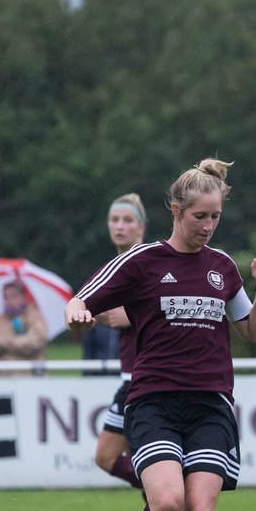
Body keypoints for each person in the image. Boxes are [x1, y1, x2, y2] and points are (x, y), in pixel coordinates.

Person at [65, 159, 256, 511]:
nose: (207, 226)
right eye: (199, 216)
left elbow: (253, 332)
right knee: (167, 503)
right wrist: (78, 313)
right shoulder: (141, 262)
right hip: (154, 402)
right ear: (176, 211)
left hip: (211, 407)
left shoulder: (223, 268)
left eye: (216, 217)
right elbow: (82, 303)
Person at [87, 194, 148, 489]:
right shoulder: (113, 268)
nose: (120, 226)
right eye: (114, 220)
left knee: (122, 458)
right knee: (113, 458)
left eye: (127, 220)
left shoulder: (150, 265)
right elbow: (86, 306)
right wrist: (94, 315)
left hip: (148, 380)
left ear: (142, 227)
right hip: (130, 380)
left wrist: (132, 313)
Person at [0, 280, 48, 373]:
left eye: (13, 296)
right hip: (1, 378)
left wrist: (3, 343)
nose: (9, 301)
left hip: (28, 377)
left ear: (23, 296)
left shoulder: (35, 318)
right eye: (6, 297)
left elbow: (36, 341)